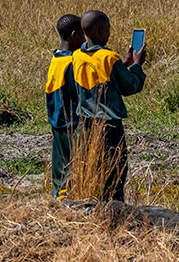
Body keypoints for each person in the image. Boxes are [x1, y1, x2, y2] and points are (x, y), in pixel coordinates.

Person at [73, 10, 147, 201]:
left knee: (89, 170)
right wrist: (136, 65)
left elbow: (102, 76)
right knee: (114, 173)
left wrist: (124, 64)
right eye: (107, 29)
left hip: (84, 125)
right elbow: (130, 85)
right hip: (108, 128)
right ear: (101, 31)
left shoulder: (77, 56)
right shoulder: (109, 58)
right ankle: (114, 211)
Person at [46, 14, 86, 200]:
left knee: (60, 171)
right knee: (72, 170)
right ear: (74, 35)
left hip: (57, 122)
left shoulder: (56, 58)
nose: (85, 40)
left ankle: (57, 201)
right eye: (84, 35)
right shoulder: (73, 61)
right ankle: (68, 205)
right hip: (71, 123)